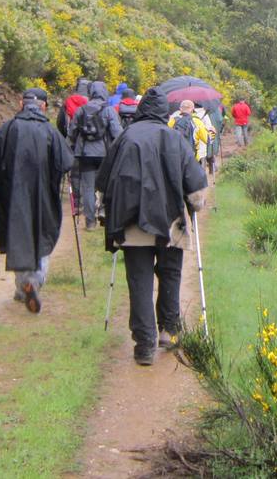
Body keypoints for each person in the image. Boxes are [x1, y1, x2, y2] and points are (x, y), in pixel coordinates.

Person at [97, 86, 207, 365]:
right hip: (170, 222)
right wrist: (195, 204)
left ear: (141, 109)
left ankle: (144, 344)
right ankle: (169, 330)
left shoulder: (124, 138)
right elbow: (194, 183)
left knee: (139, 281)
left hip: (131, 224)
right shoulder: (174, 137)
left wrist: (103, 213)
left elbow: (104, 180)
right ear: (162, 112)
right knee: (170, 274)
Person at [0, 88, 74, 314]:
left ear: (21, 104)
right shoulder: (50, 131)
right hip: (43, 194)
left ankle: (23, 286)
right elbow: (66, 161)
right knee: (42, 234)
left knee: (18, 235)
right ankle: (35, 281)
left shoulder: (8, 129)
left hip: (14, 194)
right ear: (43, 106)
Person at [69, 80, 123, 230]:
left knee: (88, 187)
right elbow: (117, 132)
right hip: (105, 153)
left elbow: (71, 131)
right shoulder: (109, 110)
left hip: (85, 153)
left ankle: (90, 221)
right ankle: (104, 210)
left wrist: (74, 145)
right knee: (106, 183)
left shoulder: (81, 110)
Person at [56, 78, 91, 215]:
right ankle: (88, 200)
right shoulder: (92, 103)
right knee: (88, 172)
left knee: (75, 173)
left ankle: (77, 202)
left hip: (72, 141)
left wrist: (66, 136)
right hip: (89, 142)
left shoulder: (68, 102)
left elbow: (60, 122)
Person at [194, 104, 218, 179]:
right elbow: (209, 127)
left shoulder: (189, 114)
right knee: (202, 156)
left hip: (192, 141)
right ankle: (202, 175)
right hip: (202, 140)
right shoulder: (204, 114)